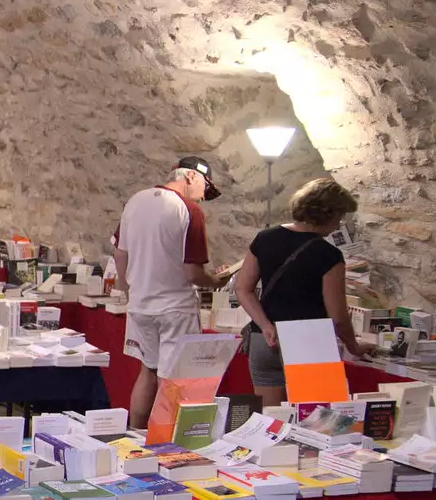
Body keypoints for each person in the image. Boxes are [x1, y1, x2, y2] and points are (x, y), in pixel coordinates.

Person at [112, 156, 230, 428]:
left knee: (147, 371)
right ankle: (165, 444)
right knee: (173, 379)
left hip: (141, 305)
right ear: (191, 176)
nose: (202, 197)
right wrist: (216, 281)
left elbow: (120, 254)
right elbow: (193, 273)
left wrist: (131, 290)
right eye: (204, 187)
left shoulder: (135, 201)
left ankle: (136, 435)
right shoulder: (188, 210)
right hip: (176, 308)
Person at [234, 178, 372, 406]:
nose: (339, 225)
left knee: (271, 421)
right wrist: (353, 346)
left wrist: (266, 325)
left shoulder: (264, 238)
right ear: (326, 214)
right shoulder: (328, 255)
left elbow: (243, 289)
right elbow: (337, 316)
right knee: (315, 422)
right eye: (339, 217)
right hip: (309, 339)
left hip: (265, 339)